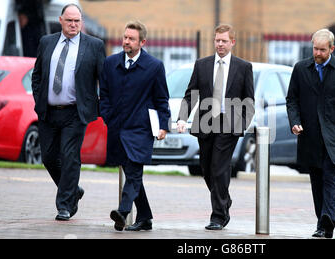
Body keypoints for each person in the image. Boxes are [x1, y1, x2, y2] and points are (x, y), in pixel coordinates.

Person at [286, 29, 335, 238]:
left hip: (334, 135)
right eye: (315, 49)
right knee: (316, 180)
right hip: (310, 135)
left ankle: (329, 219)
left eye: (322, 49)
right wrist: (295, 122)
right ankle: (323, 223)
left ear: (332, 48)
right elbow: (292, 99)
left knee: (330, 176)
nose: (318, 53)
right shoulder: (301, 69)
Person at [31, 4, 106, 221]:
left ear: (81, 22)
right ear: (61, 20)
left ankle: (64, 205)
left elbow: (104, 79)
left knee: (70, 155)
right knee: (48, 157)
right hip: (49, 112)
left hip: (75, 112)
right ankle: (73, 189)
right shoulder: (46, 42)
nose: (74, 24)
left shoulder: (94, 45)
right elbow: (37, 75)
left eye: (77, 21)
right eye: (70, 20)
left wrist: (102, 105)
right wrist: (39, 100)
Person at [177, 24, 254, 230]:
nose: (220, 44)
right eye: (217, 40)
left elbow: (249, 101)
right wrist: (182, 118)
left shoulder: (243, 67)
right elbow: (190, 93)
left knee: (219, 168)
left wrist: (242, 124)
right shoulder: (202, 65)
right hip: (205, 123)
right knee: (207, 168)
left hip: (229, 125)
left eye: (224, 41)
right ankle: (224, 200)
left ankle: (218, 216)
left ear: (232, 42)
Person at [99, 21, 170, 231]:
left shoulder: (154, 66)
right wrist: (107, 117)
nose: (126, 41)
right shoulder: (110, 63)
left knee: (134, 171)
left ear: (142, 42)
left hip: (141, 129)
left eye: (131, 39)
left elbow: (161, 99)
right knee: (131, 172)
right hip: (117, 128)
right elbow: (104, 95)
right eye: (125, 37)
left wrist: (164, 125)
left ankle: (123, 211)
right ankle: (145, 217)